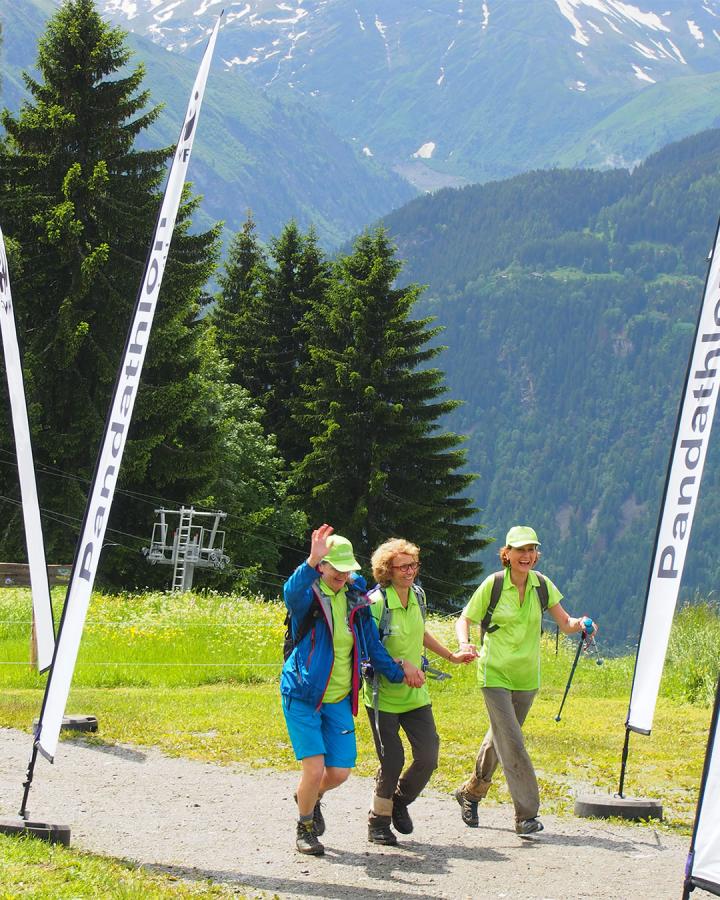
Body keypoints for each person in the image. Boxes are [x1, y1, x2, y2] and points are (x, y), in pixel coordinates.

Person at [281, 524, 425, 856]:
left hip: (339, 697)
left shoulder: (354, 598)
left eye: (348, 569)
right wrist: (310, 562)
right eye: (336, 567)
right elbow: (290, 593)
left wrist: (398, 671)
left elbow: (372, 646)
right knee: (315, 768)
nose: (343, 574)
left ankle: (308, 796)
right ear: (323, 566)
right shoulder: (309, 595)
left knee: (340, 772)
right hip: (303, 693)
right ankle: (305, 828)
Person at [453, 525, 598, 837]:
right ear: (506, 554)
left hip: (527, 677)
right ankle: (526, 815)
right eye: (520, 550)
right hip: (493, 673)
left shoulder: (541, 585)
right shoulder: (493, 585)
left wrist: (583, 623)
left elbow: (566, 622)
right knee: (513, 743)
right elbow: (465, 618)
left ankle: (470, 793)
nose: (526, 555)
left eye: (531, 550)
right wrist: (465, 644)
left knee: (501, 738)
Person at [363, 538, 476, 845]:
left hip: (416, 695)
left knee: (428, 756)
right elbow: (367, 648)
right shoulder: (376, 603)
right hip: (382, 696)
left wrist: (451, 656)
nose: (410, 571)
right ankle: (378, 821)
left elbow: (420, 632)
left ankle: (398, 802)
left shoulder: (417, 596)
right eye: (403, 567)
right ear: (387, 570)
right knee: (392, 760)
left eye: (413, 565)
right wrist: (399, 665)